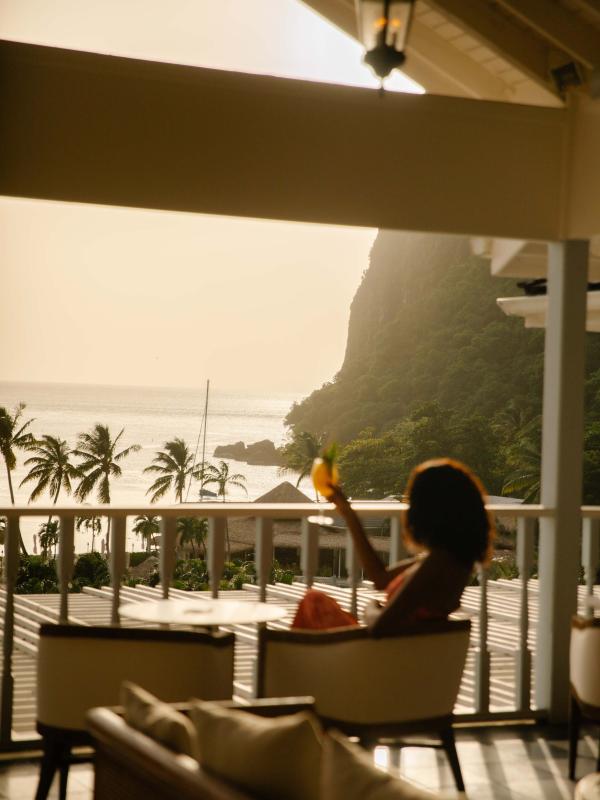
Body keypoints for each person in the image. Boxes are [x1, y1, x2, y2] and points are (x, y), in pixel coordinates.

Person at [291, 458, 493, 636]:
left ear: (428, 512)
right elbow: (380, 579)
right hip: (401, 654)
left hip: (384, 660)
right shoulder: (453, 561)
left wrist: (370, 608)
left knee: (313, 600)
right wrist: (349, 514)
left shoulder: (434, 565)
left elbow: (379, 626)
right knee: (316, 601)